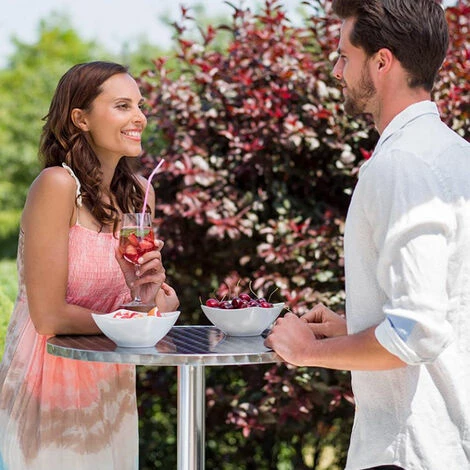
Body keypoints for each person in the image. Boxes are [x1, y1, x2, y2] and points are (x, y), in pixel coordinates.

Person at [265, 1, 470, 469]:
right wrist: (355, 326)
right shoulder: (457, 155)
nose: (336, 71)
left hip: (409, 451)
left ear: (381, 62)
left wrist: (308, 350)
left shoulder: (401, 164)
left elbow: (416, 332)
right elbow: (450, 310)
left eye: (344, 56)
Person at [0, 61, 179, 470]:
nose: (140, 117)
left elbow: (144, 308)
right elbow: (48, 317)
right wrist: (136, 320)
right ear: (80, 119)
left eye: (140, 105)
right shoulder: (57, 185)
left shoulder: (140, 196)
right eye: (122, 106)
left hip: (109, 380)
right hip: (47, 380)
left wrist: (149, 296)